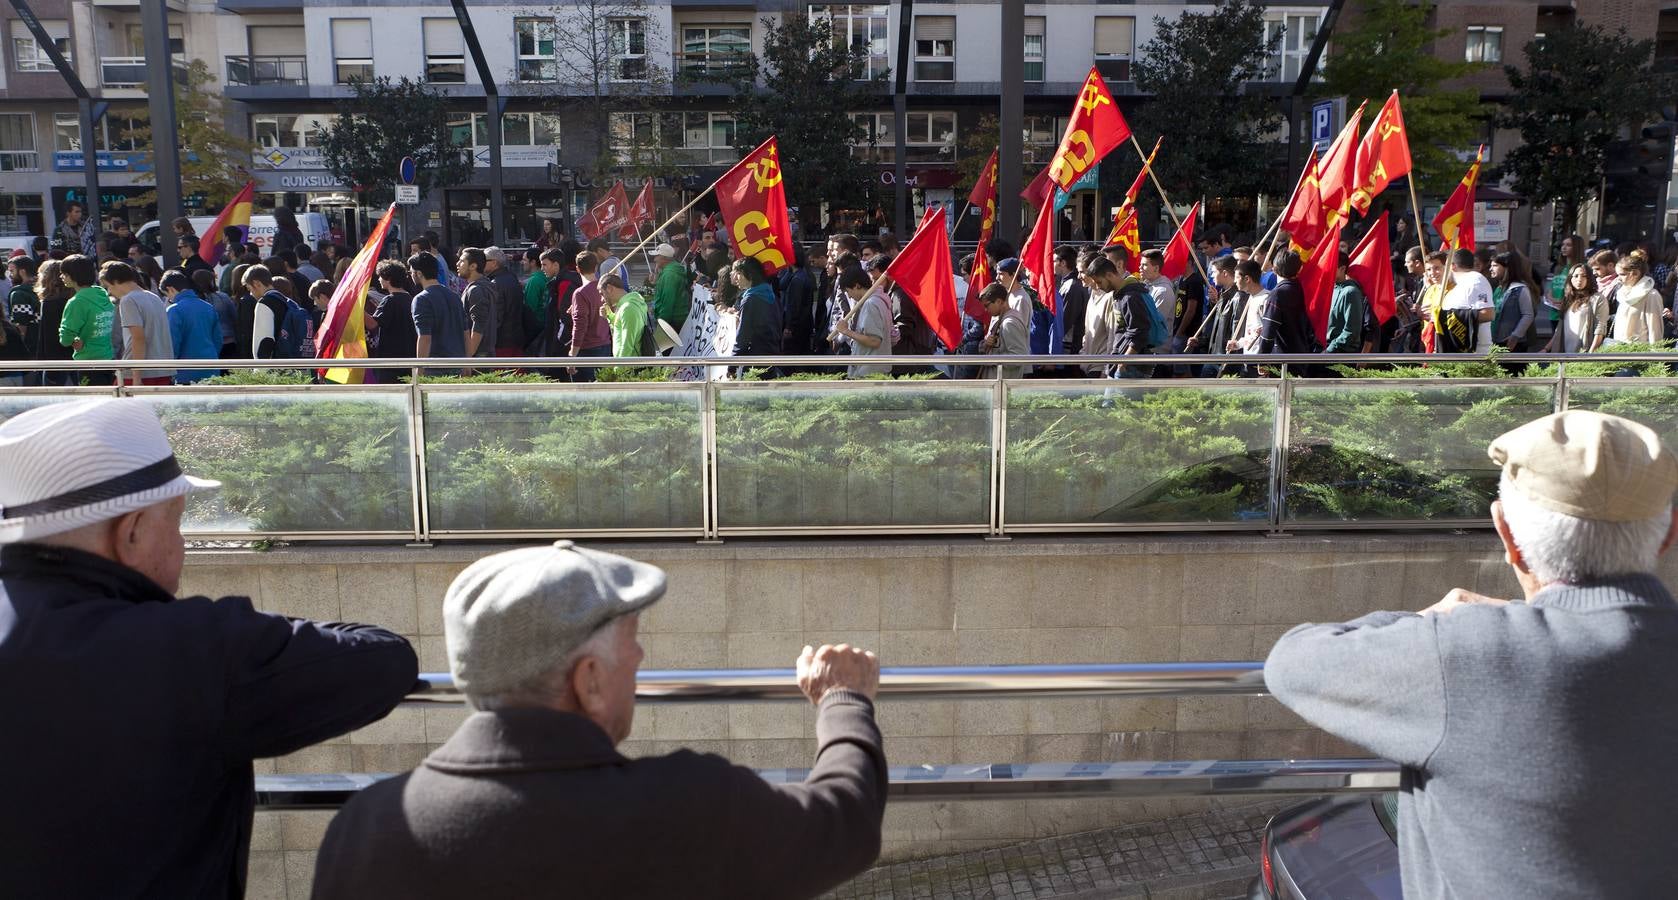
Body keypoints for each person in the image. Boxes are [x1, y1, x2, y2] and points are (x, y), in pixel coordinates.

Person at [0, 397, 419, 898]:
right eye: (174, 522)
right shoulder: (194, 648)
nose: (180, 544)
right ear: (129, 533)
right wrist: (236, 628)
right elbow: (384, 659)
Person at [312, 542, 885, 899]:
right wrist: (843, 699)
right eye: (632, 644)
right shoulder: (689, 807)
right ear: (587, 680)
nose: (639, 660)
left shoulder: (364, 830)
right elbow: (845, 823)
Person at [1265, 409, 1678, 899]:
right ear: (1669, 532)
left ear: (1508, 537)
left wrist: (1435, 624)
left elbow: (1291, 663)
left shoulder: (1468, 655)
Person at [1082, 254, 1153, 379]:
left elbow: (1140, 331)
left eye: (1099, 282)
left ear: (1109, 275)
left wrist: (1123, 362)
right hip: (1120, 363)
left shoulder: (1130, 297)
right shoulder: (1120, 295)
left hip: (1130, 367)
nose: (1098, 287)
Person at [57, 254, 116, 385]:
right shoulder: (102, 295)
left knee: (93, 402)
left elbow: (65, 336)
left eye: (64, 273)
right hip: (109, 358)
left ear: (74, 275)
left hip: (88, 362)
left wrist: (72, 341)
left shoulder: (76, 302)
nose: (61, 277)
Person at [159, 269, 221, 384]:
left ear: (170, 289)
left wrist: (169, 368)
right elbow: (217, 339)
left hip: (185, 371)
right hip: (211, 367)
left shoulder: (174, 310)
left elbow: (172, 344)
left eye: (167, 295)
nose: (169, 299)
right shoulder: (208, 307)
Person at [832, 267, 891, 378]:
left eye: (848, 291)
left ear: (857, 285)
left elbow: (874, 341)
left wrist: (846, 331)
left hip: (869, 371)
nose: (849, 296)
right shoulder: (879, 300)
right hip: (874, 369)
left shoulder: (871, 304)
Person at [411, 252, 467, 364]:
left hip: (435, 366)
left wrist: (419, 369)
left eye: (411, 272)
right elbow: (466, 333)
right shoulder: (454, 296)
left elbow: (425, 338)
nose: (410, 275)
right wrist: (467, 364)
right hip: (458, 362)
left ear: (419, 273)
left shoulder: (421, 299)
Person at [1257, 250, 1316, 357]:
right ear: (1299, 268)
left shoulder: (1277, 294)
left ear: (1274, 269)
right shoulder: (1304, 290)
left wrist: (1262, 359)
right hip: (1304, 354)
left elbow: (1268, 331)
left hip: (1282, 359)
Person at [367, 260, 418, 382]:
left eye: (380, 276)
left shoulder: (389, 300)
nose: (379, 279)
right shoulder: (410, 298)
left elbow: (373, 324)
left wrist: (356, 307)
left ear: (388, 279)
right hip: (409, 358)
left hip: (390, 361)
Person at [1543, 264, 1608, 355]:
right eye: (1576, 276)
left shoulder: (1598, 299)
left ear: (1590, 278)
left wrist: (1591, 355)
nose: (1579, 279)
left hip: (1584, 353)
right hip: (1564, 353)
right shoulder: (1568, 298)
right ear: (1570, 278)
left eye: (1584, 276)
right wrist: (1546, 349)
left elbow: (1600, 329)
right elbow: (1559, 329)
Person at [1439, 248, 1495, 353]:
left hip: (1475, 352)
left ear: (1452, 266)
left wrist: (1445, 315)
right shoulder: (1456, 286)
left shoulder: (1476, 280)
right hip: (1455, 349)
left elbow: (1488, 314)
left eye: (1445, 266)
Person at [569, 252, 612, 382]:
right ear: (596, 267)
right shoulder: (605, 288)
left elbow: (579, 326)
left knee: (585, 395)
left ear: (577, 268)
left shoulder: (580, 293)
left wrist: (572, 355)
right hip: (605, 344)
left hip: (587, 349)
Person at [731, 256, 783, 360]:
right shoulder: (769, 292)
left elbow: (743, 336)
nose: (736, 277)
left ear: (750, 275)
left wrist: (732, 363)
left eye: (739, 273)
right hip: (772, 352)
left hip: (754, 358)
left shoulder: (751, 299)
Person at [33, 260, 75, 386]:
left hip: (56, 361)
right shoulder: (73, 299)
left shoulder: (49, 303)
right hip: (74, 354)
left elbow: (48, 336)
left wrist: (44, 364)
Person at [1609, 250, 1663, 346]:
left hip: (1639, 354)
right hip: (1619, 350)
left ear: (1635, 273)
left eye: (1622, 274)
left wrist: (1655, 357)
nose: (1618, 278)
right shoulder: (1623, 293)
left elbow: (1655, 330)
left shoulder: (1652, 295)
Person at [978, 282, 1031, 379]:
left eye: (987, 305)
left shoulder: (1010, 323)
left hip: (1004, 385)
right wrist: (986, 344)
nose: (986, 310)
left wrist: (991, 359)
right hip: (997, 383)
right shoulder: (1000, 318)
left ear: (999, 301)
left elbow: (1018, 356)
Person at [1489, 250, 1538, 353]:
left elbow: (1528, 315)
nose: (1490, 269)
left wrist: (1515, 335)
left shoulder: (1520, 289)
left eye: (1495, 265)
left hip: (1512, 344)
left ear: (1507, 268)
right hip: (1495, 340)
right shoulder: (1498, 289)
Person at [456, 248, 499, 361]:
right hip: (483, 354)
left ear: (473, 266)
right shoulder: (484, 286)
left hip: (478, 356)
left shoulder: (476, 290)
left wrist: (468, 359)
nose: (457, 264)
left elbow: (479, 324)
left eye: (461, 261)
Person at [483, 247, 527, 358]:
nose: (481, 263)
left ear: (494, 263)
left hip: (502, 341)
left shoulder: (496, 283)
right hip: (514, 337)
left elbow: (496, 317)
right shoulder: (511, 277)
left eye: (484, 260)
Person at [1325, 251, 1369, 354]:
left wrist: (1329, 351)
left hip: (1340, 355)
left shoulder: (1351, 292)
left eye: (1331, 267)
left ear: (1343, 269)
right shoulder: (1330, 289)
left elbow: (1351, 331)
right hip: (1326, 351)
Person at [192, 267, 239, 361]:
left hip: (207, 343)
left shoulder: (195, 301)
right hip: (229, 340)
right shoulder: (223, 297)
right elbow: (235, 317)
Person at [600, 273, 651, 358]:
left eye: (602, 293)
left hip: (631, 367)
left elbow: (627, 343)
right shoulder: (627, 305)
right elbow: (621, 327)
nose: (602, 299)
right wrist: (609, 316)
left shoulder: (628, 308)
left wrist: (619, 368)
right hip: (631, 365)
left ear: (609, 288)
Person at [650, 242, 692, 334]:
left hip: (671, 321)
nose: (654, 259)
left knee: (667, 348)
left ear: (664, 258)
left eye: (657, 256)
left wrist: (662, 323)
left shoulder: (670, 275)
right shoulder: (669, 271)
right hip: (674, 319)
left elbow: (668, 301)